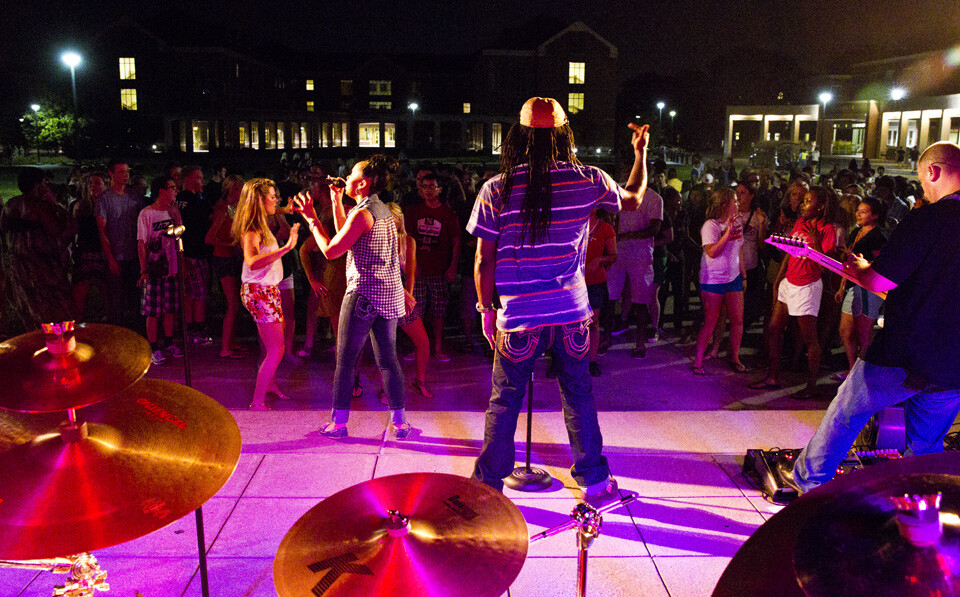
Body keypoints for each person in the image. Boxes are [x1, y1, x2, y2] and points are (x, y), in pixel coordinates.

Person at [468, 96, 650, 507]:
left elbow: (484, 259)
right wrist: (640, 154)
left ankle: (488, 488)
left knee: (505, 401)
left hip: (519, 318)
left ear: (519, 138)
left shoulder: (496, 188)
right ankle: (594, 482)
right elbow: (635, 198)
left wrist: (486, 308)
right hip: (571, 314)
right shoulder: (588, 179)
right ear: (565, 135)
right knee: (578, 394)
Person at [792, 141, 960, 492]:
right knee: (926, 447)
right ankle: (917, 510)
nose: (924, 189)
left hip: (904, 351)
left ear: (932, 171)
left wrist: (863, 270)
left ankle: (810, 486)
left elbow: (881, 281)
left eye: (921, 179)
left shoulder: (929, 217)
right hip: (953, 362)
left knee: (845, 414)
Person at [294, 155, 412, 439]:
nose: (345, 177)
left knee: (345, 361)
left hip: (362, 295)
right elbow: (348, 235)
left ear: (363, 182)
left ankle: (338, 424)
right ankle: (400, 423)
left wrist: (311, 221)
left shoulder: (362, 213)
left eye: (351, 174)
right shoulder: (379, 208)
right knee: (388, 360)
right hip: (386, 294)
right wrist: (336, 201)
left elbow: (332, 250)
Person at [751, 186, 840, 399]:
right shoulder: (800, 223)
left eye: (809, 201)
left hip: (807, 285)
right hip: (789, 281)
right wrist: (778, 280)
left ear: (820, 207)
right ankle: (772, 376)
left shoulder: (827, 228)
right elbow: (790, 253)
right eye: (804, 200)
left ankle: (811, 385)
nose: (803, 204)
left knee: (809, 337)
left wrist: (816, 243)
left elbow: (826, 266)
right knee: (774, 329)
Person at [232, 178, 299, 410]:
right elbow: (251, 262)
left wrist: (284, 209)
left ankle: (269, 385)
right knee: (276, 349)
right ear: (260, 201)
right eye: (272, 197)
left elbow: (272, 208)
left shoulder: (261, 221)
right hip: (259, 292)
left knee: (273, 346)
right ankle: (257, 401)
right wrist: (286, 248)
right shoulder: (252, 229)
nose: (276, 200)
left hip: (267, 290)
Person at [0, 168, 76, 330]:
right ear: (36, 185)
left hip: (18, 262)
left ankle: (34, 334)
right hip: (40, 264)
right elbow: (55, 230)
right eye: (43, 183)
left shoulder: (10, 204)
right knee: (52, 303)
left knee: (28, 303)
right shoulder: (39, 206)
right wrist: (57, 209)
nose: (46, 186)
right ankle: (56, 336)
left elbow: (3, 228)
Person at [402, 172, 460, 361]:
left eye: (431, 186)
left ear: (439, 189)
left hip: (439, 269)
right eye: (424, 186)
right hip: (418, 271)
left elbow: (456, 241)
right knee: (415, 309)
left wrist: (452, 266)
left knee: (438, 310)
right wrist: (410, 266)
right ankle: (416, 346)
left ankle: (437, 348)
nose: (427, 190)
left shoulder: (447, 213)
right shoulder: (414, 211)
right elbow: (407, 239)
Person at [691, 188, 746, 375]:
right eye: (735, 201)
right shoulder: (710, 225)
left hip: (733, 278)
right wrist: (727, 233)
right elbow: (712, 252)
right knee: (711, 321)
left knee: (738, 320)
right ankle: (698, 359)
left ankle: (735, 356)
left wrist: (743, 275)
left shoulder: (737, 222)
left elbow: (739, 250)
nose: (738, 204)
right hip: (713, 279)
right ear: (724, 204)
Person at [832, 197, 886, 381]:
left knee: (864, 334)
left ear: (875, 215)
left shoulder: (879, 236)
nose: (858, 214)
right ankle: (853, 369)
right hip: (852, 285)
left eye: (864, 212)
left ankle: (865, 374)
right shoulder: (856, 231)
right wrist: (841, 286)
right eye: (858, 211)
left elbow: (881, 266)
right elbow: (848, 262)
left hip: (869, 289)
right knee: (845, 330)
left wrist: (864, 263)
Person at [137, 176, 184, 365]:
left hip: (171, 269)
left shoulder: (172, 212)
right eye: (172, 187)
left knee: (169, 308)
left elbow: (180, 234)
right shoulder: (147, 214)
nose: (175, 191)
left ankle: (169, 341)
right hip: (154, 269)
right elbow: (142, 243)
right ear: (162, 191)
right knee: (153, 310)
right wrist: (143, 270)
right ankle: (153, 346)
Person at [388, 202, 434, 398]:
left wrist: (409, 295)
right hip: (383, 297)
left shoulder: (408, 241)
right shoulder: (377, 239)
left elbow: (410, 272)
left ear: (400, 219)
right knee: (386, 346)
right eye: (386, 218)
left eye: (393, 218)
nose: (390, 222)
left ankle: (419, 381)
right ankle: (386, 388)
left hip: (402, 296)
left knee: (423, 342)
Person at [205, 174, 247, 359]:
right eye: (241, 189)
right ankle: (225, 348)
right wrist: (232, 245)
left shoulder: (232, 208)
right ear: (233, 189)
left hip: (232, 258)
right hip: (223, 259)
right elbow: (210, 238)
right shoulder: (223, 209)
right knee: (233, 303)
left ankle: (231, 343)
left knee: (236, 303)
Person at [96, 159, 141, 327]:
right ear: (111, 174)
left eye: (127, 171)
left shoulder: (134, 196)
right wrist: (110, 258)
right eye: (121, 172)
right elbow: (103, 231)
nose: (126, 175)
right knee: (116, 300)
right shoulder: (104, 199)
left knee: (136, 298)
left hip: (134, 256)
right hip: (116, 256)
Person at [176, 165, 214, 344]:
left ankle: (188, 327)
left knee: (189, 293)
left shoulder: (177, 200)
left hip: (183, 252)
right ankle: (198, 329)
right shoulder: (197, 202)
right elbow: (212, 217)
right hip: (196, 252)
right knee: (198, 293)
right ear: (187, 179)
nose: (202, 181)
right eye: (198, 178)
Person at [71, 172, 109, 319]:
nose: (93, 186)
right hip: (86, 250)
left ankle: (111, 320)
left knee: (106, 288)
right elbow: (74, 229)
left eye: (97, 182)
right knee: (81, 287)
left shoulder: (108, 204)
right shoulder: (80, 205)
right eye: (90, 183)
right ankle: (78, 322)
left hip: (103, 250)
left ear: (106, 185)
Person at [584, 207, 617, 376]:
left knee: (593, 322)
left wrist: (599, 259)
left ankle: (592, 360)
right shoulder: (572, 225)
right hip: (573, 282)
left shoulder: (605, 228)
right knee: (566, 323)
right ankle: (560, 360)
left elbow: (613, 255)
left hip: (595, 281)